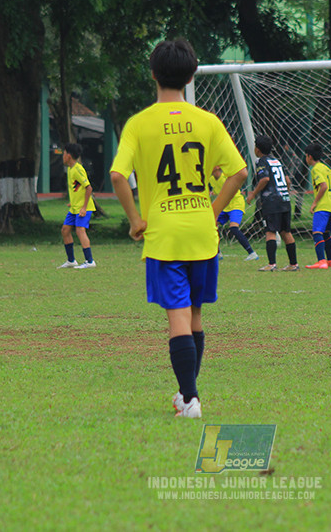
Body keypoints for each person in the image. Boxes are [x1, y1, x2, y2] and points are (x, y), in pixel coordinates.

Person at [109, 38, 248, 420]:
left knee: (178, 317)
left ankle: (189, 399)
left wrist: (137, 220)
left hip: (165, 236)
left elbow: (118, 175)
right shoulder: (208, 121)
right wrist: (212, 209)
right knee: (195, 315)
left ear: (153, 74)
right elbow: (238, 173)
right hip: (203, 234)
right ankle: (188, 395)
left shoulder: (139, 124)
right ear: (191, 75)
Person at [245, 135, 298, 272]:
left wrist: (253, 193)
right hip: (285, 200)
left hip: (272, 201)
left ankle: (272, 264)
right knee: (286, 232)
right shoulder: (277, 161)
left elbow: (265, 179)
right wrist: (283, 194)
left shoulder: (261, 161)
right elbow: (288, 181)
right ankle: (293, 264)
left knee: (270, 231)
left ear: (257, 149)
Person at [58, 142, 96, 269]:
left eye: (63, 153)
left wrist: (84, 207)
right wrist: (72, 201)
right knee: (65, 230)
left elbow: (89, 188)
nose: (62, 156)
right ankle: (71, 261)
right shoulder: (70, 169)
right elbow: (77, 188)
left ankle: (90, 261)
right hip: (74, 207)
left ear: (68, 155)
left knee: (80, 230)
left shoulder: (78, 169)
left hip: (83, 208)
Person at [304, 143, 331, 269]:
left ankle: (321, 261)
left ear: (309, 156)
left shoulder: (315, 169)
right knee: (326, 233)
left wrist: (315, 202)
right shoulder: (326, 168)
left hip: (323, 206)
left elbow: (323, 186)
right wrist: (330, 198)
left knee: (317, 232)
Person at [208, 165, 257, 261]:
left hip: (236, 204)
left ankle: (252, 253)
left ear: (218, 167)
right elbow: (216, 191)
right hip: (224, 206)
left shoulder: (226, 177)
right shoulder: (211, 179)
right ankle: (217, 253)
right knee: (211, 227)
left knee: (234, 228)